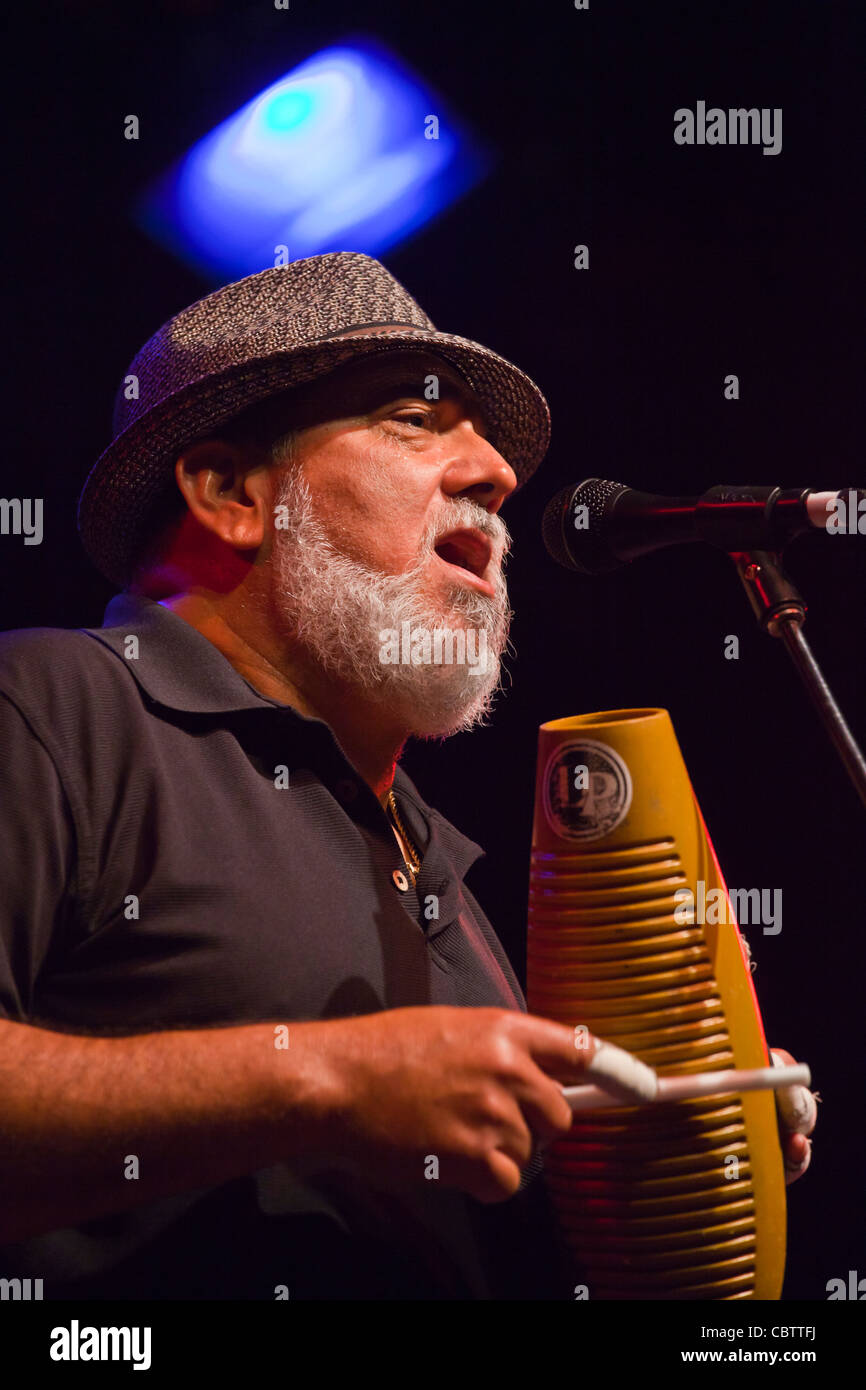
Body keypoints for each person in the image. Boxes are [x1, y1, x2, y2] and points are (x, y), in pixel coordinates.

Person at [0, 252, 814, 1300]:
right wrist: (325, 1076)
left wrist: (665, 1135)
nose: (496, 475)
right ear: (232, 493)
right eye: (411, 422)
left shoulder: (434, 854)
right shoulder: (56, 706)